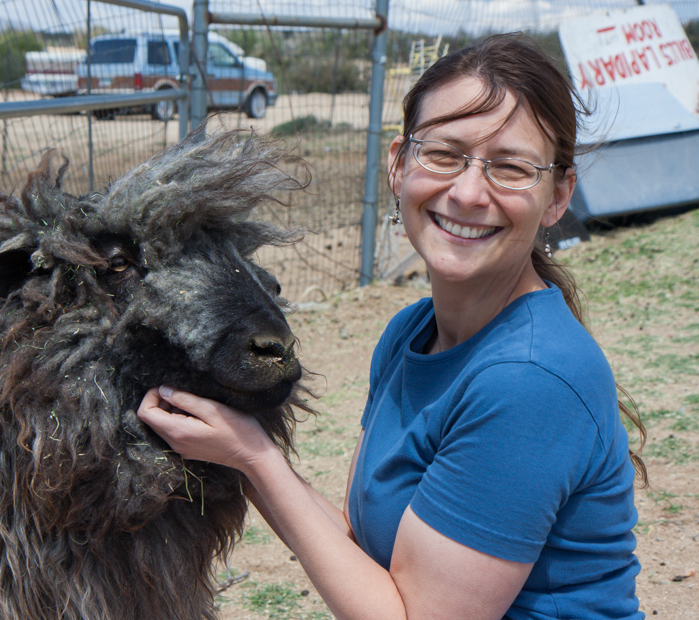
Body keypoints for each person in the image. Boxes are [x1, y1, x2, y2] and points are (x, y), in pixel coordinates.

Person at [137, 32, 647, 620]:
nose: (468, 192)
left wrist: (255, 458)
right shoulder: (411, 333)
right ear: (399, 164)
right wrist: (240, 452)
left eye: (510, 168)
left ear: (558, 196)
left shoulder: (529, 382)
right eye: (445, 155)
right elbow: (367, 557)